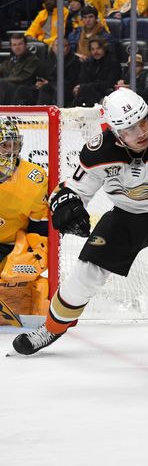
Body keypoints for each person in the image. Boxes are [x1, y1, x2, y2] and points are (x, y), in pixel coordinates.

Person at [11, 87, 148, 357]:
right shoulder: (98, 152)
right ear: (115, 132)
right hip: (129, 213)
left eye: (143, 122)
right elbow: (71, 190)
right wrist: (68, 206)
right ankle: (51, 328)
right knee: (85, 274)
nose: (140, 132)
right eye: (129, 129)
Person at [0, 119, 49, 320]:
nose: (11, 151)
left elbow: (41, 228)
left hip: (12, 246)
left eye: (15, 145)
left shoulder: (33, 179)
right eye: (4, 145)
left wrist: (36, 252)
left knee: (24, 273)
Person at [72, 37, 121, 107]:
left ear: (104, 48)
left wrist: (84, 87)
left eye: (98, 48)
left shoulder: (113, 62)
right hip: (88, 92)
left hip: (104, 93)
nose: (95, 52)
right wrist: (80, 87)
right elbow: (82, 80)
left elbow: (110, 83)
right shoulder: (87, 63)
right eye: (93, 49)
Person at [0, 34, 42, 105]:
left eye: (20, 44)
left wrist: (4, 80)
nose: (17, 47)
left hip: (23, 88)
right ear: (11, 47)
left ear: (26, 45)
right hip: (8, 87)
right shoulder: (11, 59)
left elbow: (24, 78)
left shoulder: (32, 60)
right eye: (14, 45)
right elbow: (2, 69)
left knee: (2, 84)